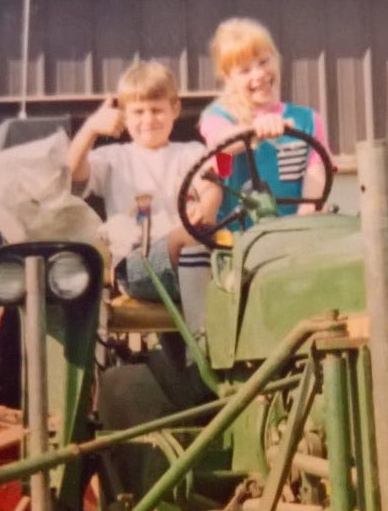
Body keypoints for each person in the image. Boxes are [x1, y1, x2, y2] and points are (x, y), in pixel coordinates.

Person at [66, 61, 216, 303]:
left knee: (208, 242)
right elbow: (72, 173)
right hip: (135, 264)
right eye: (138, 111)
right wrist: (91, 129)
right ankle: (199, 335)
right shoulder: (114, 157)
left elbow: (210, 183)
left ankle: (194, 337)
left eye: (157, 110)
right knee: (188, 240)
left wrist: (206, 206)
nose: (148, 119)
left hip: (183, 263)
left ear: (174, 110)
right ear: (124, 116)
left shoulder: (190, 152)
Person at [197, 17, 329, 224]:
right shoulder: (218, 117)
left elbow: (317, 171)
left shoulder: (307, 120)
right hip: (239, 238)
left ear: (276, 58)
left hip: (296, 232)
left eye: (264, 61)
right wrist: (254, 131)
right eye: (245, 70)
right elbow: (220, 143)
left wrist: (307, 214)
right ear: (227, 78)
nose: (259, 74)